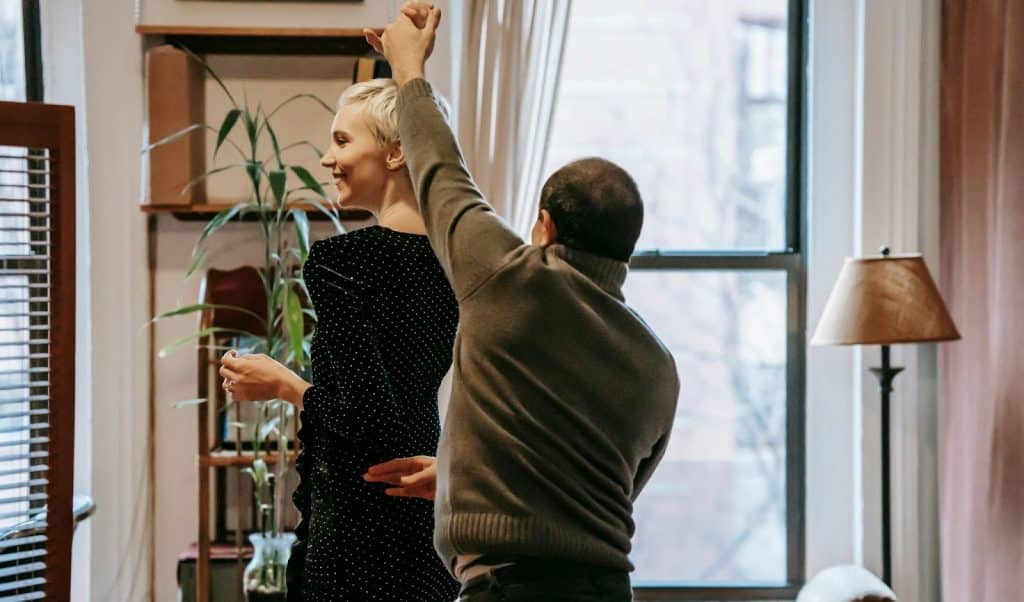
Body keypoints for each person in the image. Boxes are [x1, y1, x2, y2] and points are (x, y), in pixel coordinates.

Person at [362, 5, 681, 601]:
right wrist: (462, 477)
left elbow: (438, 167)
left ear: (544, 226)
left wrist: (407, 65)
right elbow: (594, 490)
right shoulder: (660, 366)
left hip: (508, 589)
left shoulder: (510, 277)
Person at [218, 78, 460, 602]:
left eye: (343, 141)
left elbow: (369, 421)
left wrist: (282, 383)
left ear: (397, 151)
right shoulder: (457, 260)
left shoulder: (343, 263)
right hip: (424, 519)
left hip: (359, 529)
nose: (328, 159)